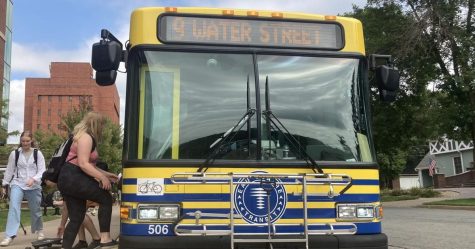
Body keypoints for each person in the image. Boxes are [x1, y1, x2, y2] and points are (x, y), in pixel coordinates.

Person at [57, 112, 118, 249]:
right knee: (105, 197)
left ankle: (65, 247)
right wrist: (102, 178)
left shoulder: (81, 136)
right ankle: (105, 238)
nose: (103, 129)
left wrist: (107, 174)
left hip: (68, 179)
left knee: (77, 218)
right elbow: (83, 164)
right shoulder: (86, 137)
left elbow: (90, 165)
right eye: (102, 125)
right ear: (97, 124)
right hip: (73, 177)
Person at [1, 131, 46, 247]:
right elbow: (9, 170)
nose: (25, 143)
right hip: (18, 184)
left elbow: (42, 171)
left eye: (27, 141)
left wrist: (34, 179)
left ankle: (39, 229)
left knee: (35, 210)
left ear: (31, 141)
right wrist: (4, 185)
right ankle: (9, 235)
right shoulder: (14, 154)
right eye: (23, 141)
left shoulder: (38, 153)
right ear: (20, 141)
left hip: (34, 186)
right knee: (14, 208)